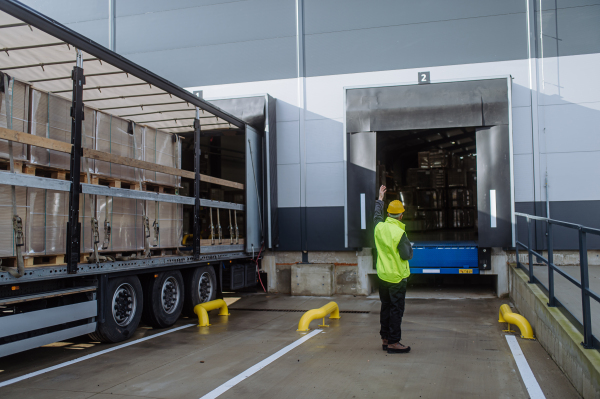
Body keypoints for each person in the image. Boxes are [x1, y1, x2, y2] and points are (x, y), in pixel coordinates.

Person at [374, 185, 413, 354]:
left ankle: (385, 338)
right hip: (397, 278)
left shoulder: (379, 227)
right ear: (401, 215)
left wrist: (380, 199)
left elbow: (376, 216)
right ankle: (394, 342)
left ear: (388, 214)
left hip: (383, 276)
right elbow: (406, 255)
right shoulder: (399, 233)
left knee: (386, 307)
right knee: (397, 310)